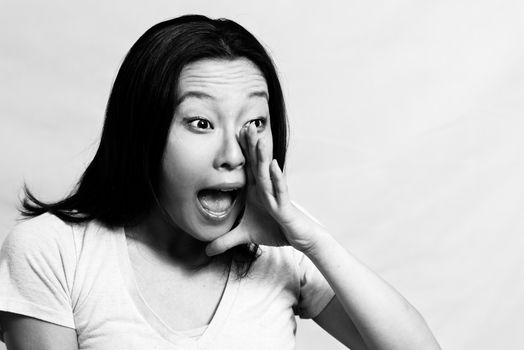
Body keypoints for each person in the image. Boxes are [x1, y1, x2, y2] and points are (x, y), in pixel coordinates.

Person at [0, 14, 441, 350]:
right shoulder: (53, 252)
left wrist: (313, 242)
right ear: (142, 133)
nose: (232, 155)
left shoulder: (284, 255)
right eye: (200, 123)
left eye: (253, 122)